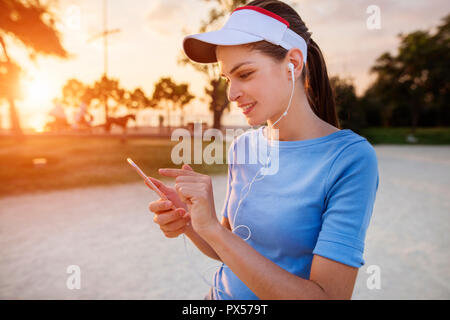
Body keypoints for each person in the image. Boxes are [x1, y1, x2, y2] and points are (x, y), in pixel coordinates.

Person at [148, 0, 379, 300]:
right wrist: (192, 221)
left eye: (244, 74)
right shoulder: (243, 146)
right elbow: (232, 249)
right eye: (228, 79)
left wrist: (213, 232)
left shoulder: (350, 159)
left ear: (293, 64)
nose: (231, 93)